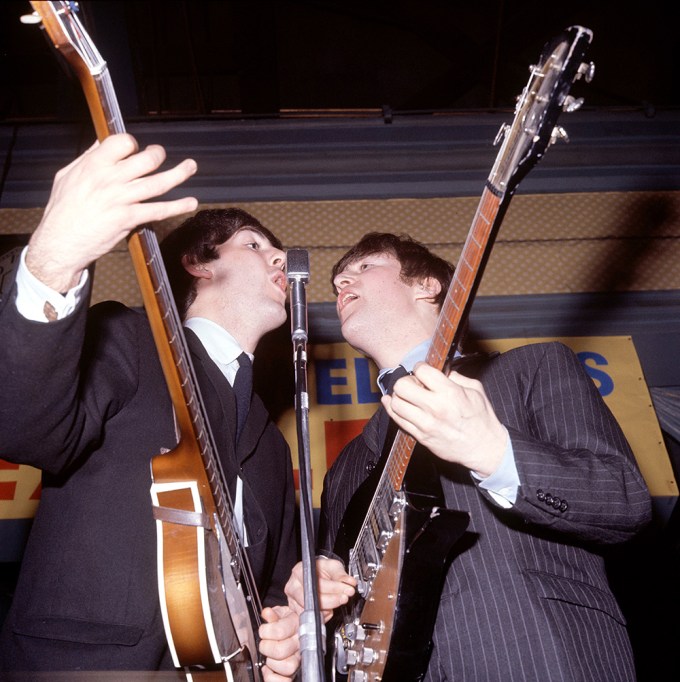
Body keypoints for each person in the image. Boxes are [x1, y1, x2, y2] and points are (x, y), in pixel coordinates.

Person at [0, 133, 300, 680]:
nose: (280, 255)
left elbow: (274, 586)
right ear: (198, 265)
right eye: (254, 244)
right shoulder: (129, 339)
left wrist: (282, 635)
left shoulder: (274, 444)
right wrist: (51, 263)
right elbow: (23, 424)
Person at [313, 232, 653, 681]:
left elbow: (623, 499)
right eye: (339, 279)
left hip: (538, 655)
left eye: (363, 267)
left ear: (428, 286)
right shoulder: (346, 465)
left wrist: (494, 453)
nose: (341, 282)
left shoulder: (533, 369)